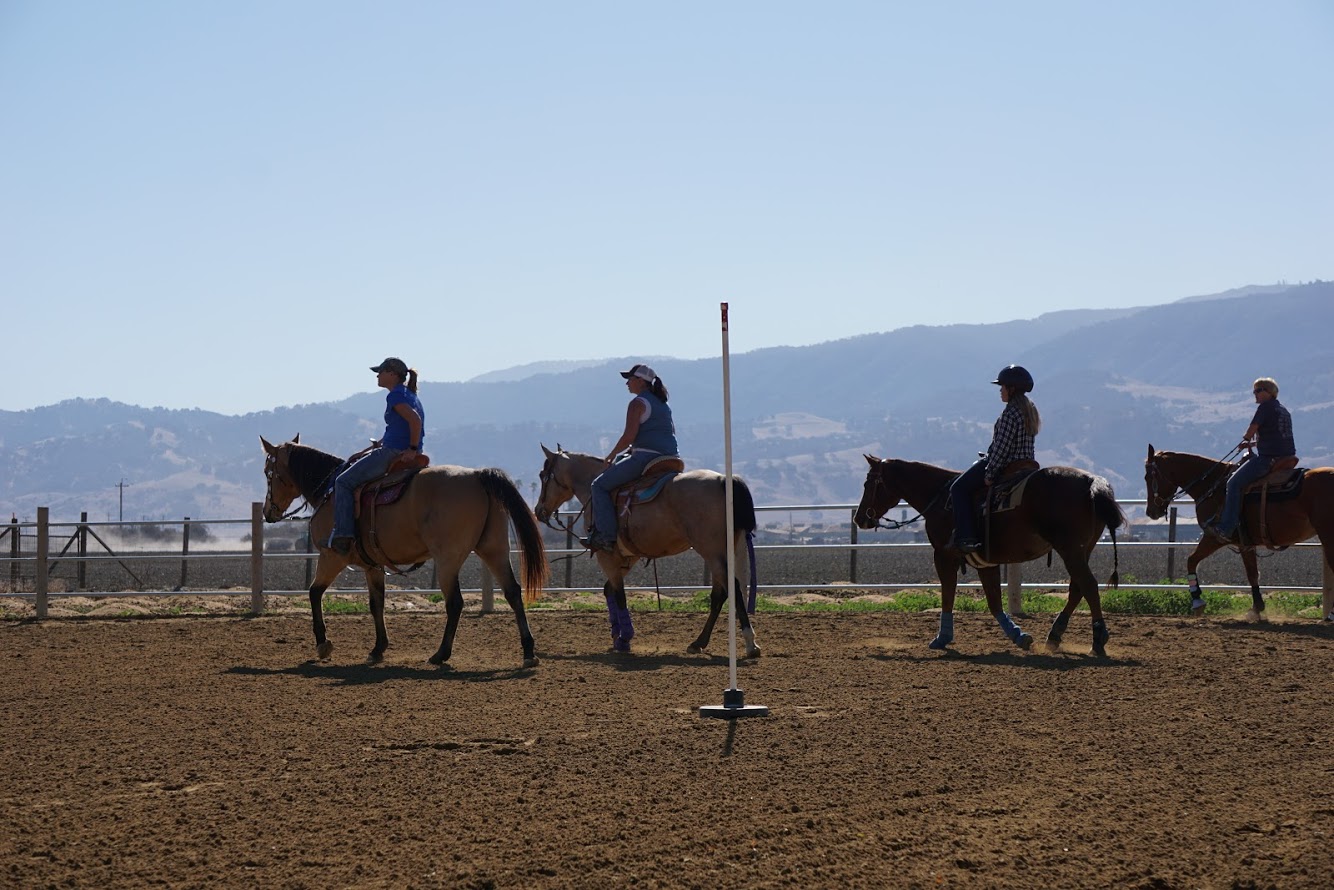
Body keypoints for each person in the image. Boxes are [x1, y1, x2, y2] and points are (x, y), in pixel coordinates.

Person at [328, 357, 425, 555]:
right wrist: (373, 447)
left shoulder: (395, 396)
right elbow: (399, 427)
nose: (377, 376)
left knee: (343, 482)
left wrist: (412, 449)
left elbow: (414, 421)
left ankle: (344, 534)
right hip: (395, 447)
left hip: (394, 452)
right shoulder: (409, 394)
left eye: (380, 372)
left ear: (392, 374)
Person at [581, 363, 679, 552]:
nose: (627, 384)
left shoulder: (638, 403)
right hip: (671, 458)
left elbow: (628, 437)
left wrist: (610, 456)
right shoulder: (662, 404)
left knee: (598, 486)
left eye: (630, 379)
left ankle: (606, 537)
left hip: (646, 459)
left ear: (640, 381)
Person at [949, 365, 1041, 554]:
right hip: (1027, 465)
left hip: (1008, 465)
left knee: (957, 488)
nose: (1000, 391)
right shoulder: (1029, 411)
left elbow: (1001, 448)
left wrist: (990, 473)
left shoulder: (1010, 413)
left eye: (1003, 387)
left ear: (1012, 389)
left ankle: (967, 537)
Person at [1206, 377, 1295, 542]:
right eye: (1254, 390)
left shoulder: (1265, 408)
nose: (1254, 394)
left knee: (1232, 483)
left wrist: (1246, 438)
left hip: (1268, 460)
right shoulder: (1282, 410)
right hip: (1286, 457)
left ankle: (1226, 527)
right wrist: (1253, 443)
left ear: (1268, 392)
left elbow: (1252, 428)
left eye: (1258, 390)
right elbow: (1277, 436)